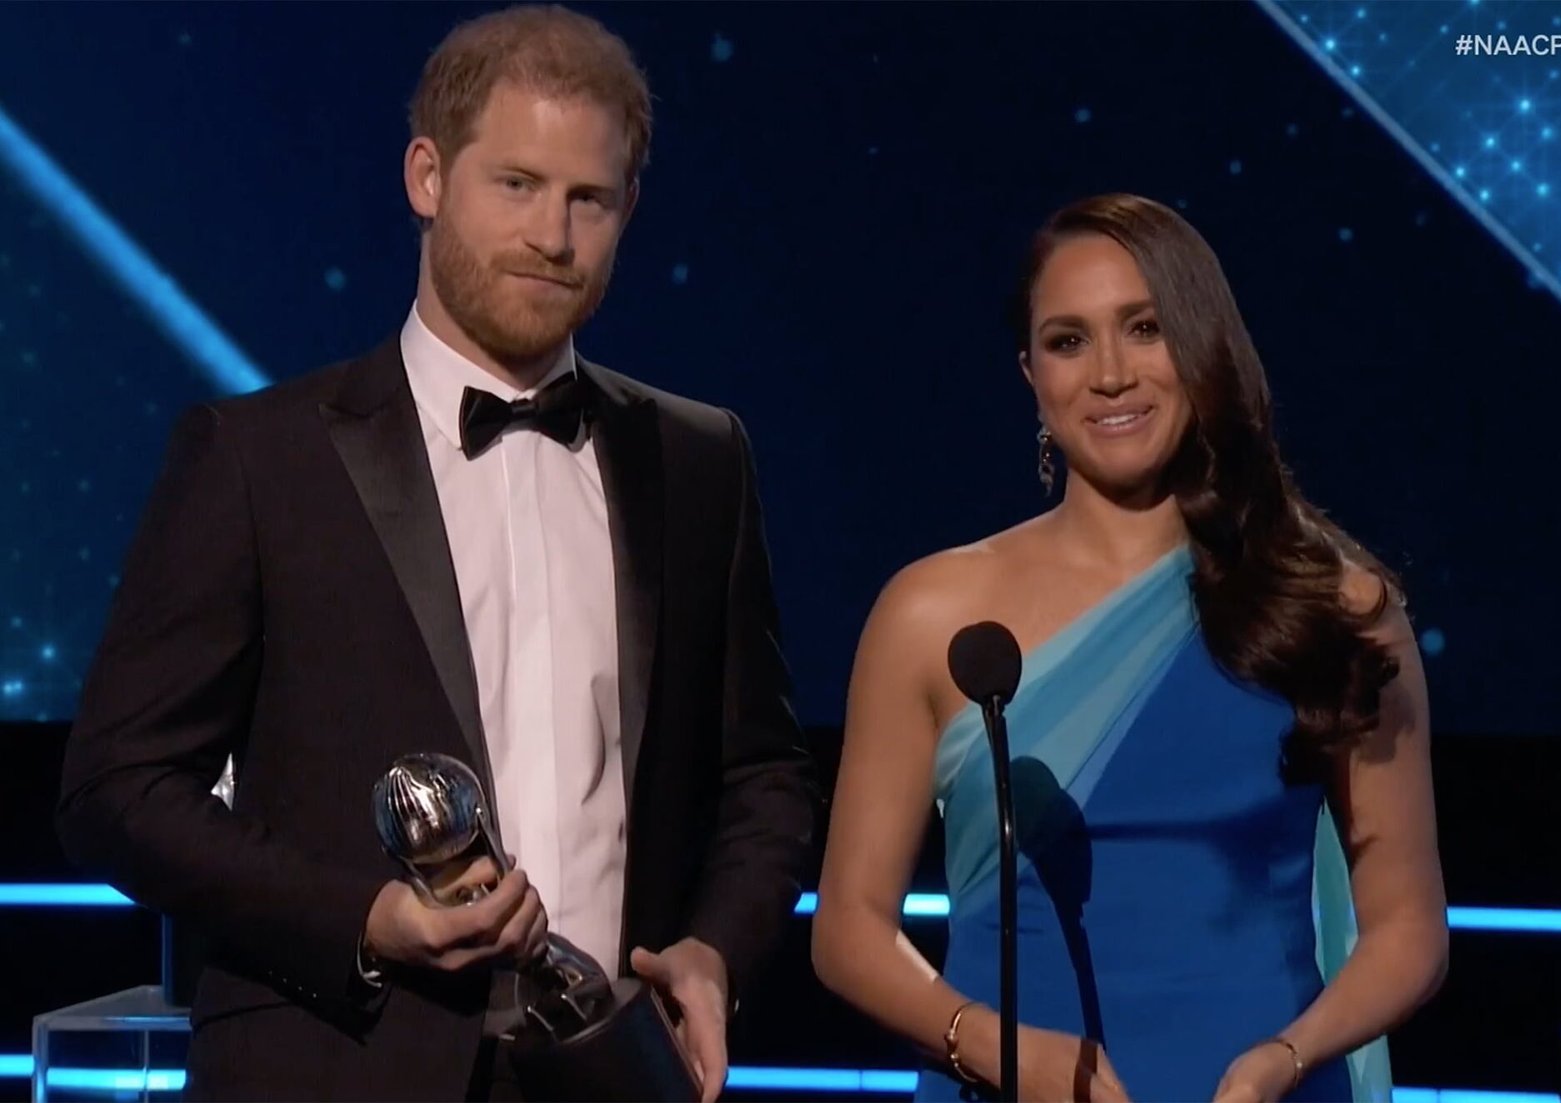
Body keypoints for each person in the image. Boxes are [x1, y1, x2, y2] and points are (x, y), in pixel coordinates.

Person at [56, 6, 814, 1100]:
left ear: (629, 210)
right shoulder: (258, 457)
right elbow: (116, 789)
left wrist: (714, 949)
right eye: (517, 184)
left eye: (589, 199)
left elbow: (764, 776)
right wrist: (364, 918)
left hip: (611, 1075)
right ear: (427, 176)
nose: (553, 236)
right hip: (334, 1065)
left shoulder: (699, 459)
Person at [811, 193, 1447, 1103]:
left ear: (1202, 344)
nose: (1110, 374)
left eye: (1145, 328)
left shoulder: (1335, 609)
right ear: (1031, 373)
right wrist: (992, 1046)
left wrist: (1288, 1056)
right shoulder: (931, 613)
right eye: (1069, 341)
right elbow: (848, 929)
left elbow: (1409, 929)